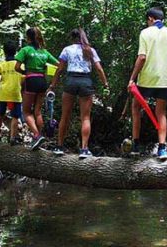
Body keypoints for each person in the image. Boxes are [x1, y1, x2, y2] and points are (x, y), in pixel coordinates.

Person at [127, 7, 167, 160]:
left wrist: (132, 78)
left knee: (136, 108)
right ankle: (162, 148)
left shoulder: (145, 32)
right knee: (161, 113)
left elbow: (142, 57)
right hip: (164, 79)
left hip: (146, 78)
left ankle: (136, 145)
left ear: (151, 18)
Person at [48, 28, 109, 158]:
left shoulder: (67, 49)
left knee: (65, 116)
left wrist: (53, 85)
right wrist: (105, 84)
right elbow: (99, 68)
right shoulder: (90, 50)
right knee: (85, 117)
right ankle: (84, 149)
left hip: (71, 80)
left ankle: (59, 147)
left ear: (72, 38)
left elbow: (59, 69)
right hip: (85, 81)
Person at [15, 27, 59, 150]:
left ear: (28, 38)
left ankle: (37, 135)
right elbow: (59, 65)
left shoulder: (25, 50)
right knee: (38, 112)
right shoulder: (44, 52)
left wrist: (25, 71)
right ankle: (38, 138)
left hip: (31, 81)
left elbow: (16, 67)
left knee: (26, 111)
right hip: (42, 82)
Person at [0, 40, 24, 145]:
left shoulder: (1, 64)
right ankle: (12, 139)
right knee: (15, 116)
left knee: (0, 114)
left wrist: (1, 82)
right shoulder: (20, 64)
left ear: (4, 52)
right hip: (15, 93)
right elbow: (24, 77)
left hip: (3, 93)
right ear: (15, 52)